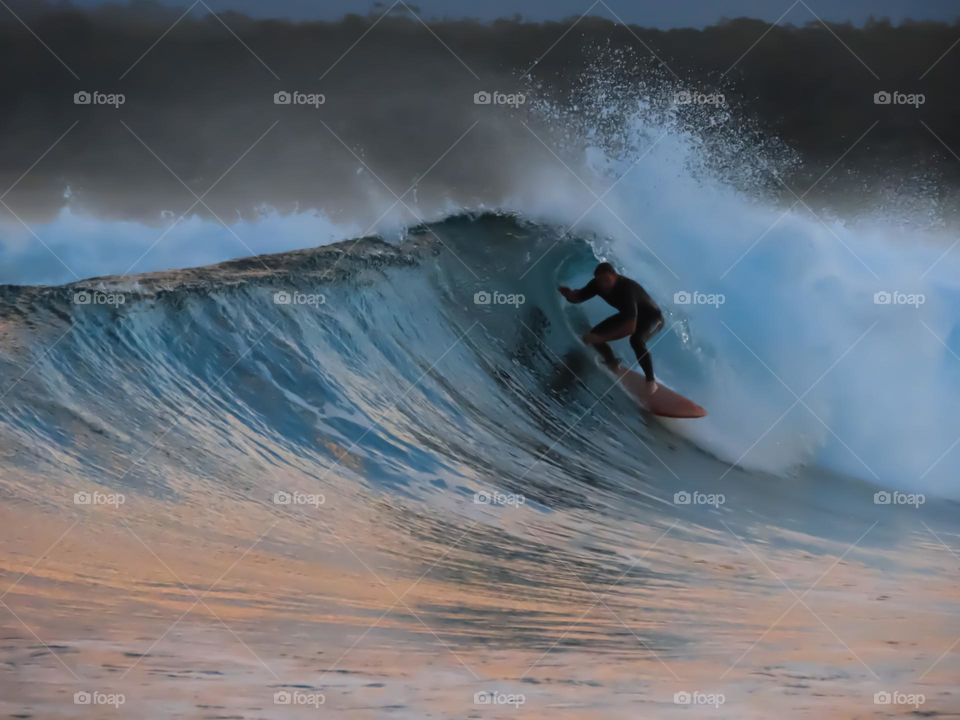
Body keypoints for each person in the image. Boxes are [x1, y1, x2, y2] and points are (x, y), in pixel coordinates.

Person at [559, 262, 664, 391]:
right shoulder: (596, 285)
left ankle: (650, 382)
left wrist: (601, 338)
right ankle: (612, 362)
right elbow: (578, 297)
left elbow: (629, 328)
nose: (604, 285)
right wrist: (569, 295)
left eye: (607, 280)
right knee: (594, 334)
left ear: (615, 276)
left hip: (652, 318)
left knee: (636, 340)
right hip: (628, 315)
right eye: (600, 281)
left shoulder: (626, 288)